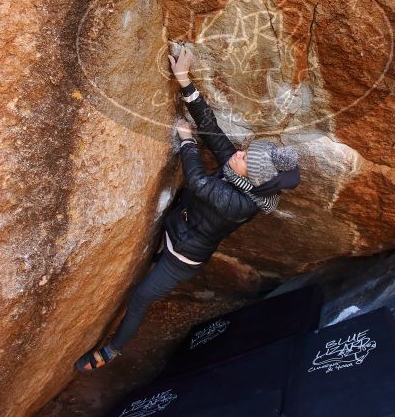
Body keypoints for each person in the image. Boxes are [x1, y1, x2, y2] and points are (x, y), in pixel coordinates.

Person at [75, 45, 301, 371]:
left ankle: (112, 351)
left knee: (139, 299)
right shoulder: (239, 171)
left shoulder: (240, 204)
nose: (238, 154)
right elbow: (213, 130)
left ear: (252, 180)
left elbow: (197, 182)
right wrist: (185, 82)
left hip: (181, 258)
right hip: (175, 228)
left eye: (245, 160)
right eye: (245, 152)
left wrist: (187, 141)